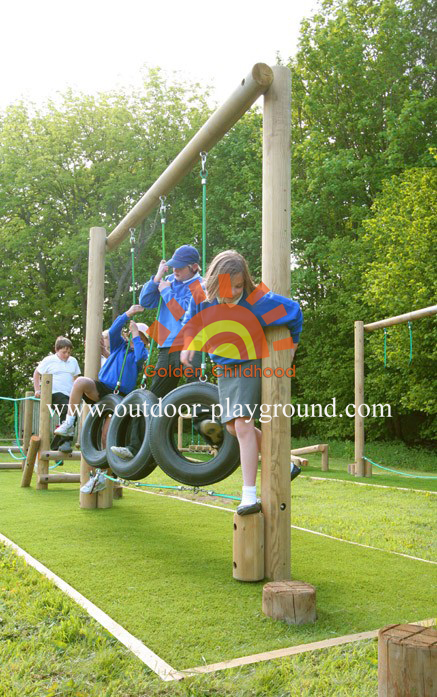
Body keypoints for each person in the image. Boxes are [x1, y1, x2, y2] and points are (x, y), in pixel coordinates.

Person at [180, 250, 303, 515]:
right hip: (223, 369)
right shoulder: (202, 297)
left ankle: (248, 494)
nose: (235, 291)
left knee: (244, 424)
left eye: (239, 285)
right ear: (215, 283)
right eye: (229, 286)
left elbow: (294, 312)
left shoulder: (255, 299)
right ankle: (286, 463)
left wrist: (291, 346)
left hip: (249, 364)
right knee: (234, 428)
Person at [110, 245, 208, 460]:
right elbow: (146, 302)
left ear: (193, 267)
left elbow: (183, 314)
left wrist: (165, 290)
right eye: (173, 267)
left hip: (191, 346)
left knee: (199, 395)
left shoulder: (201, 286)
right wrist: (157, 278)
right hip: (167, 348)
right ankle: (134, 447)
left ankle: (219, 441)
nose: (175, 271)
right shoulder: (169, 281)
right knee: (152, 397)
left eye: (180, 268)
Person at [54, 305, 149, 438]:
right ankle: (69, 423)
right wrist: (128, 313)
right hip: (102, 388)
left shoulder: (143, 353)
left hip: (120, 395)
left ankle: (109, 457)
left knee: (106, 435)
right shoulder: (120, 346)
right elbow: (113, 331)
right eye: (134, 333)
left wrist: (135, 334)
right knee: (80, 381)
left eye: (139, 335)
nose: (134, 336)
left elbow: (139, 358)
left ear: (144, 340)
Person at [33, 336, 81, 453]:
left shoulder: (73, 361)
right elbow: (36, 373)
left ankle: (56, 444)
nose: (67, 354)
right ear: (57, 350)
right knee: (66, 409)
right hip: (54, 393)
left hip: (70, 394)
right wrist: (37, 389)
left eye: (69, 352)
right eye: (64, 352)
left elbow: (76, 379)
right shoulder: (49, 360)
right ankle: (66, 441)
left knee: (73, 415)